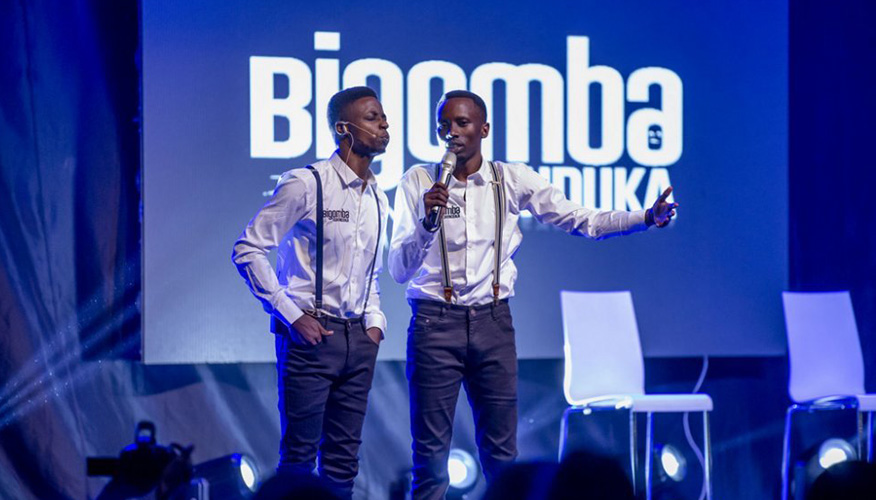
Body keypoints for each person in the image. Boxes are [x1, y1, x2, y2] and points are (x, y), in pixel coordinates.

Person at [388, 90, 677, 500]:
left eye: (462, 124)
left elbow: (580, 219)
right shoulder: (418, 181)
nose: (452, 133)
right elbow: (398, 270)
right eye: (444, 125)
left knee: (502, 456)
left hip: (493, 324)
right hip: (435, 324)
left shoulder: (511, 179)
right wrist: (424, 223)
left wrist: (644, 218)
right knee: (431, 459)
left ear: (484, 129)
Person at [233, 86, 390, 499]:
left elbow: (367, 272)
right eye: (373, 117)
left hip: (358, 338)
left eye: (383, 116)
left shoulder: (377, 196)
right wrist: (292, 315)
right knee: (299, 458)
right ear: (344, 128)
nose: (385, 124)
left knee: (344, 458)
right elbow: (247, 249)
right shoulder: (307, 183)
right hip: (311, 336)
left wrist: (374, 321)